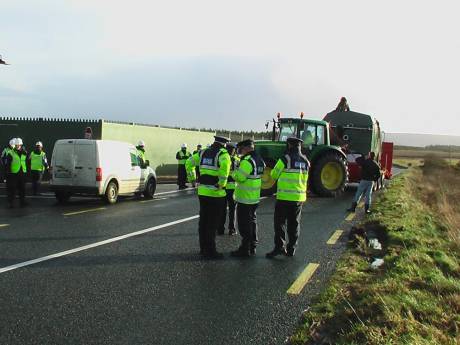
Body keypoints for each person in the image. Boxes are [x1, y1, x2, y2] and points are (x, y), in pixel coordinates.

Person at [186, 136, 231, 259]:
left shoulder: (202, 152)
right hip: (216, 194)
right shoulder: (223, 154)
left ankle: (203, 248)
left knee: (203, 221)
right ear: (224, 144)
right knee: (213, 223)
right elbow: (225, 170)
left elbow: (188, 163)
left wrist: (192, 179)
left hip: (203, 193)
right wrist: (221, 184)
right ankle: (211, 251)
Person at [266, 137, 310, 258]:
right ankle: (291, 249)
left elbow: (273, 174)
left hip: (284, 197)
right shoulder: (306, 160)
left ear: (289, 145)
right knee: (294, 223)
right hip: (298, 198)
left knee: (280, 223)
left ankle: (280, 247)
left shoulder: (285, 159)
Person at [230, 139, 265, 257]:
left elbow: (240, 177)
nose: (241, 151)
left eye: (241, 149)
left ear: (246, 148)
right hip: (254, 197)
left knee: (244, 225)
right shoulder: (259, 159)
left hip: (245, 198)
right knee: (252, 222)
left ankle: (244, 249)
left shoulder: (247, 161)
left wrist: (233, 173)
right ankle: (252, 246)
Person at [217, 142, 239, 236]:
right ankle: (232, 229)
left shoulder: (222, 158)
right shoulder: (238, 160)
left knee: (222, 209)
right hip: (233, 188)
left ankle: (220, 229)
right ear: (234, 150)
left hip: (223, 188)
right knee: (232, 210)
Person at [5, 138, 28, 208]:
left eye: (19, 145)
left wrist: (27, 173)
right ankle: (11, 203)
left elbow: (27, 163)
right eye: (16, 145)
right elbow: (7, 164)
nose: (18, 146)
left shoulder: (25, 153)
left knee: (22, 189)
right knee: (12, 189)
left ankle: (22, 202)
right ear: (15, 145)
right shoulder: (10, 153)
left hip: (22, 173)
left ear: (21, 145)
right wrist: (8, 173)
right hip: (13, 174)